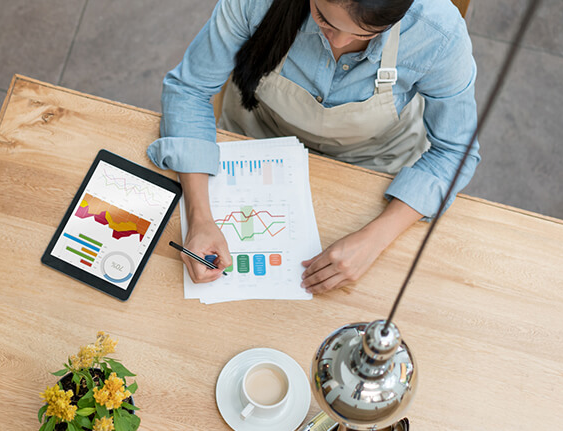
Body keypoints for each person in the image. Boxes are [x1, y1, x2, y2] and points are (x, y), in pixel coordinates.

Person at [147, 0, 479, 294]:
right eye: (324, 18)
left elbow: (455, 150)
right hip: (260, 135)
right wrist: (200, 217)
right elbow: (189, 90)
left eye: (366, 33)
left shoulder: (438, 31)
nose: (339, 41)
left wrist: (376, 238)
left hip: (370, 164)